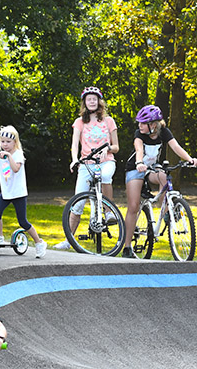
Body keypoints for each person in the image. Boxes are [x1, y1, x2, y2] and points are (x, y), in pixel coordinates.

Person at [119, 105, 197, 258]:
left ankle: (167, 211)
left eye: (143, 123)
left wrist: (189, 159)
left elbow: (175, 146)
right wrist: (139, 163)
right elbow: (139, 150)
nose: (139, 126)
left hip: (151, 169)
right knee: (133, 206)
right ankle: (127, 247)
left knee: (164, 176)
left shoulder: (164, 132)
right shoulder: (139, 134)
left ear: (153, 125)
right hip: (135, 168)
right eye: (140, 123)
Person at [54, 86, 120, 250]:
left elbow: (116, 146)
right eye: (88, 99)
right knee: (77, 203)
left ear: (99, 101)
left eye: (94, 98)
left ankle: (109, 211)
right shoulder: (79, 122)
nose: (92, 101)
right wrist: (74, 160)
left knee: (105, 177)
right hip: (86, 164)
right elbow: (74, 144)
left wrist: (109, 149)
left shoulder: (109, 121)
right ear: (85, 102)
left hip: (106, 161)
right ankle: (68, 240)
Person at [0, 126, 48, 258]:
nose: (5, 144)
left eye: (8, 142)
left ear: (15, 142)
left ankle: (39, 242)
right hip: (6, 192)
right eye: (2, 141)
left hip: (18, 193)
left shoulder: (17, 154)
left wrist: (9, 156)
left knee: (23, 221)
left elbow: (16, 168)